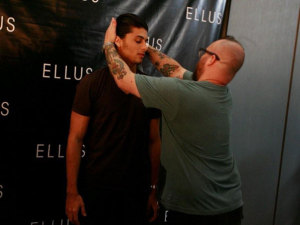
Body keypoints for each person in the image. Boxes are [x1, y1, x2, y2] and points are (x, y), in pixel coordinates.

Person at [103, 18, 245, 225]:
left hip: (196, 212)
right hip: (229, 207)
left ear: (212, 59)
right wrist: (146, 46)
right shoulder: (221, 93)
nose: (200, 56)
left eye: (203, 52)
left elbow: (124, 80)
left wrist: (108, 44)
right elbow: (176, 70)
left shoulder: (183, 94)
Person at [65, 14, 161, 225]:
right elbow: (75, 138)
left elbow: (154, 142)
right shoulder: (92, 84)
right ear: (117, 41)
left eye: (146, 41)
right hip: (96, 190)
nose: (144, 47)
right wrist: (72, 192)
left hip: (136, 192)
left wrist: (153, 190)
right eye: (138, 40)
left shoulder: (151, 89)